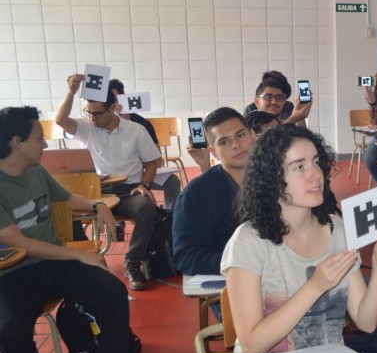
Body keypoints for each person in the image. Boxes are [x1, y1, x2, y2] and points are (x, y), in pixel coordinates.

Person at [221, 124, 377, 353]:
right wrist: (315, 286)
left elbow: (366, 322)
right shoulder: (249, 242)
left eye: (316, 162)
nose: (316, 174)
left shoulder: (336, 228)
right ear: (271, 178)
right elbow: (251, 346)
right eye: (299, 167)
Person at [0, 106, 134, 353]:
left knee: (112, 291)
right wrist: (78, 255)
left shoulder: (35, 170)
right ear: (16, 142)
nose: (45, 144)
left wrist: (97, 204)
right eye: (39, 138)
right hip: (13, 273)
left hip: (53, 261)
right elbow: (20, 243)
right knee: (11, 333)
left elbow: (67, 198)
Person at [55, 74, 162, 291]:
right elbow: (60, 120)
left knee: (147, 208)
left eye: (98, 113)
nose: (93, 118)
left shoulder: (135, 130)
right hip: (95, 190)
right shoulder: (85, 127)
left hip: (127, 190)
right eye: (89, 113)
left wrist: (145, 185)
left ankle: (132, 262)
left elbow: (153, 161)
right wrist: (71, 92)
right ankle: (90, 260)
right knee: (65, 210)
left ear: (113, 107)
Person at [172, 108, 255, 278]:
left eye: (240, 135)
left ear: (252, 135)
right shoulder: (196, 194)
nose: (236, 145)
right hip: (234, 282)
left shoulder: (279, 179)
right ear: (213, 152)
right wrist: (243, 262)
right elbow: (186, 257)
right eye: (224, 142)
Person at [108, 79, 181, 210]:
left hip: (143, 173)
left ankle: (169, 217)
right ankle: (119, 224)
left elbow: (157, 159)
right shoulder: (101, 126)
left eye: (114, 100)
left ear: (123, 99)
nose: (112, 105)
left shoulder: (142, 124)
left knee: (173, 182)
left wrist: (138, 166)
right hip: (115, 176)